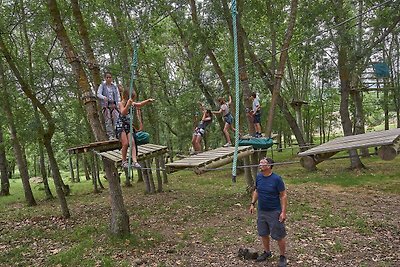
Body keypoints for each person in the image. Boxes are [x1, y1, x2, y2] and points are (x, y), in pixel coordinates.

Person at [249, 157, 287, 267]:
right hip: (261, 211)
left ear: (269, 166)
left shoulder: (276, 179)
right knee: (263, 233)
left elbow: (283, 195)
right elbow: (257, 191)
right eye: (260, 162)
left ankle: (282, 256)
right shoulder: (259, 177)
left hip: (274, 211)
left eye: (262, 163)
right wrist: (252, 204)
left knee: (279, 235)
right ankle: (267, 252)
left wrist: (283, 212)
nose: (260, 164)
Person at [116, 87, 154, 169]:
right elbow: (123, 113)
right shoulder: (121, 103)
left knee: (132, 143)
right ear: (126, 97)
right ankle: (123, 161)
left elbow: (139, 104)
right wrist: (128, 105)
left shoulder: (132, 103)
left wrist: (147, 101)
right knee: (125, 143)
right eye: (132, 99)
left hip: (129, 125)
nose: (133, 100)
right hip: (121, 125)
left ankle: (135, 161)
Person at [97, 72, 121, 140]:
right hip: (106, 106)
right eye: (107, 77)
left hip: (114, 105)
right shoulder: (102, 85)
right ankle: (111, 136)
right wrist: (103, 97)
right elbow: (98, 94)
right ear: (105, 78)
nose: (108, 79)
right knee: (108, 121)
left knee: (116, 120)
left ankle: (117, 134)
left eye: (110, 77)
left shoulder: (114, 86)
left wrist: (118, 104)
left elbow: (118, 95)